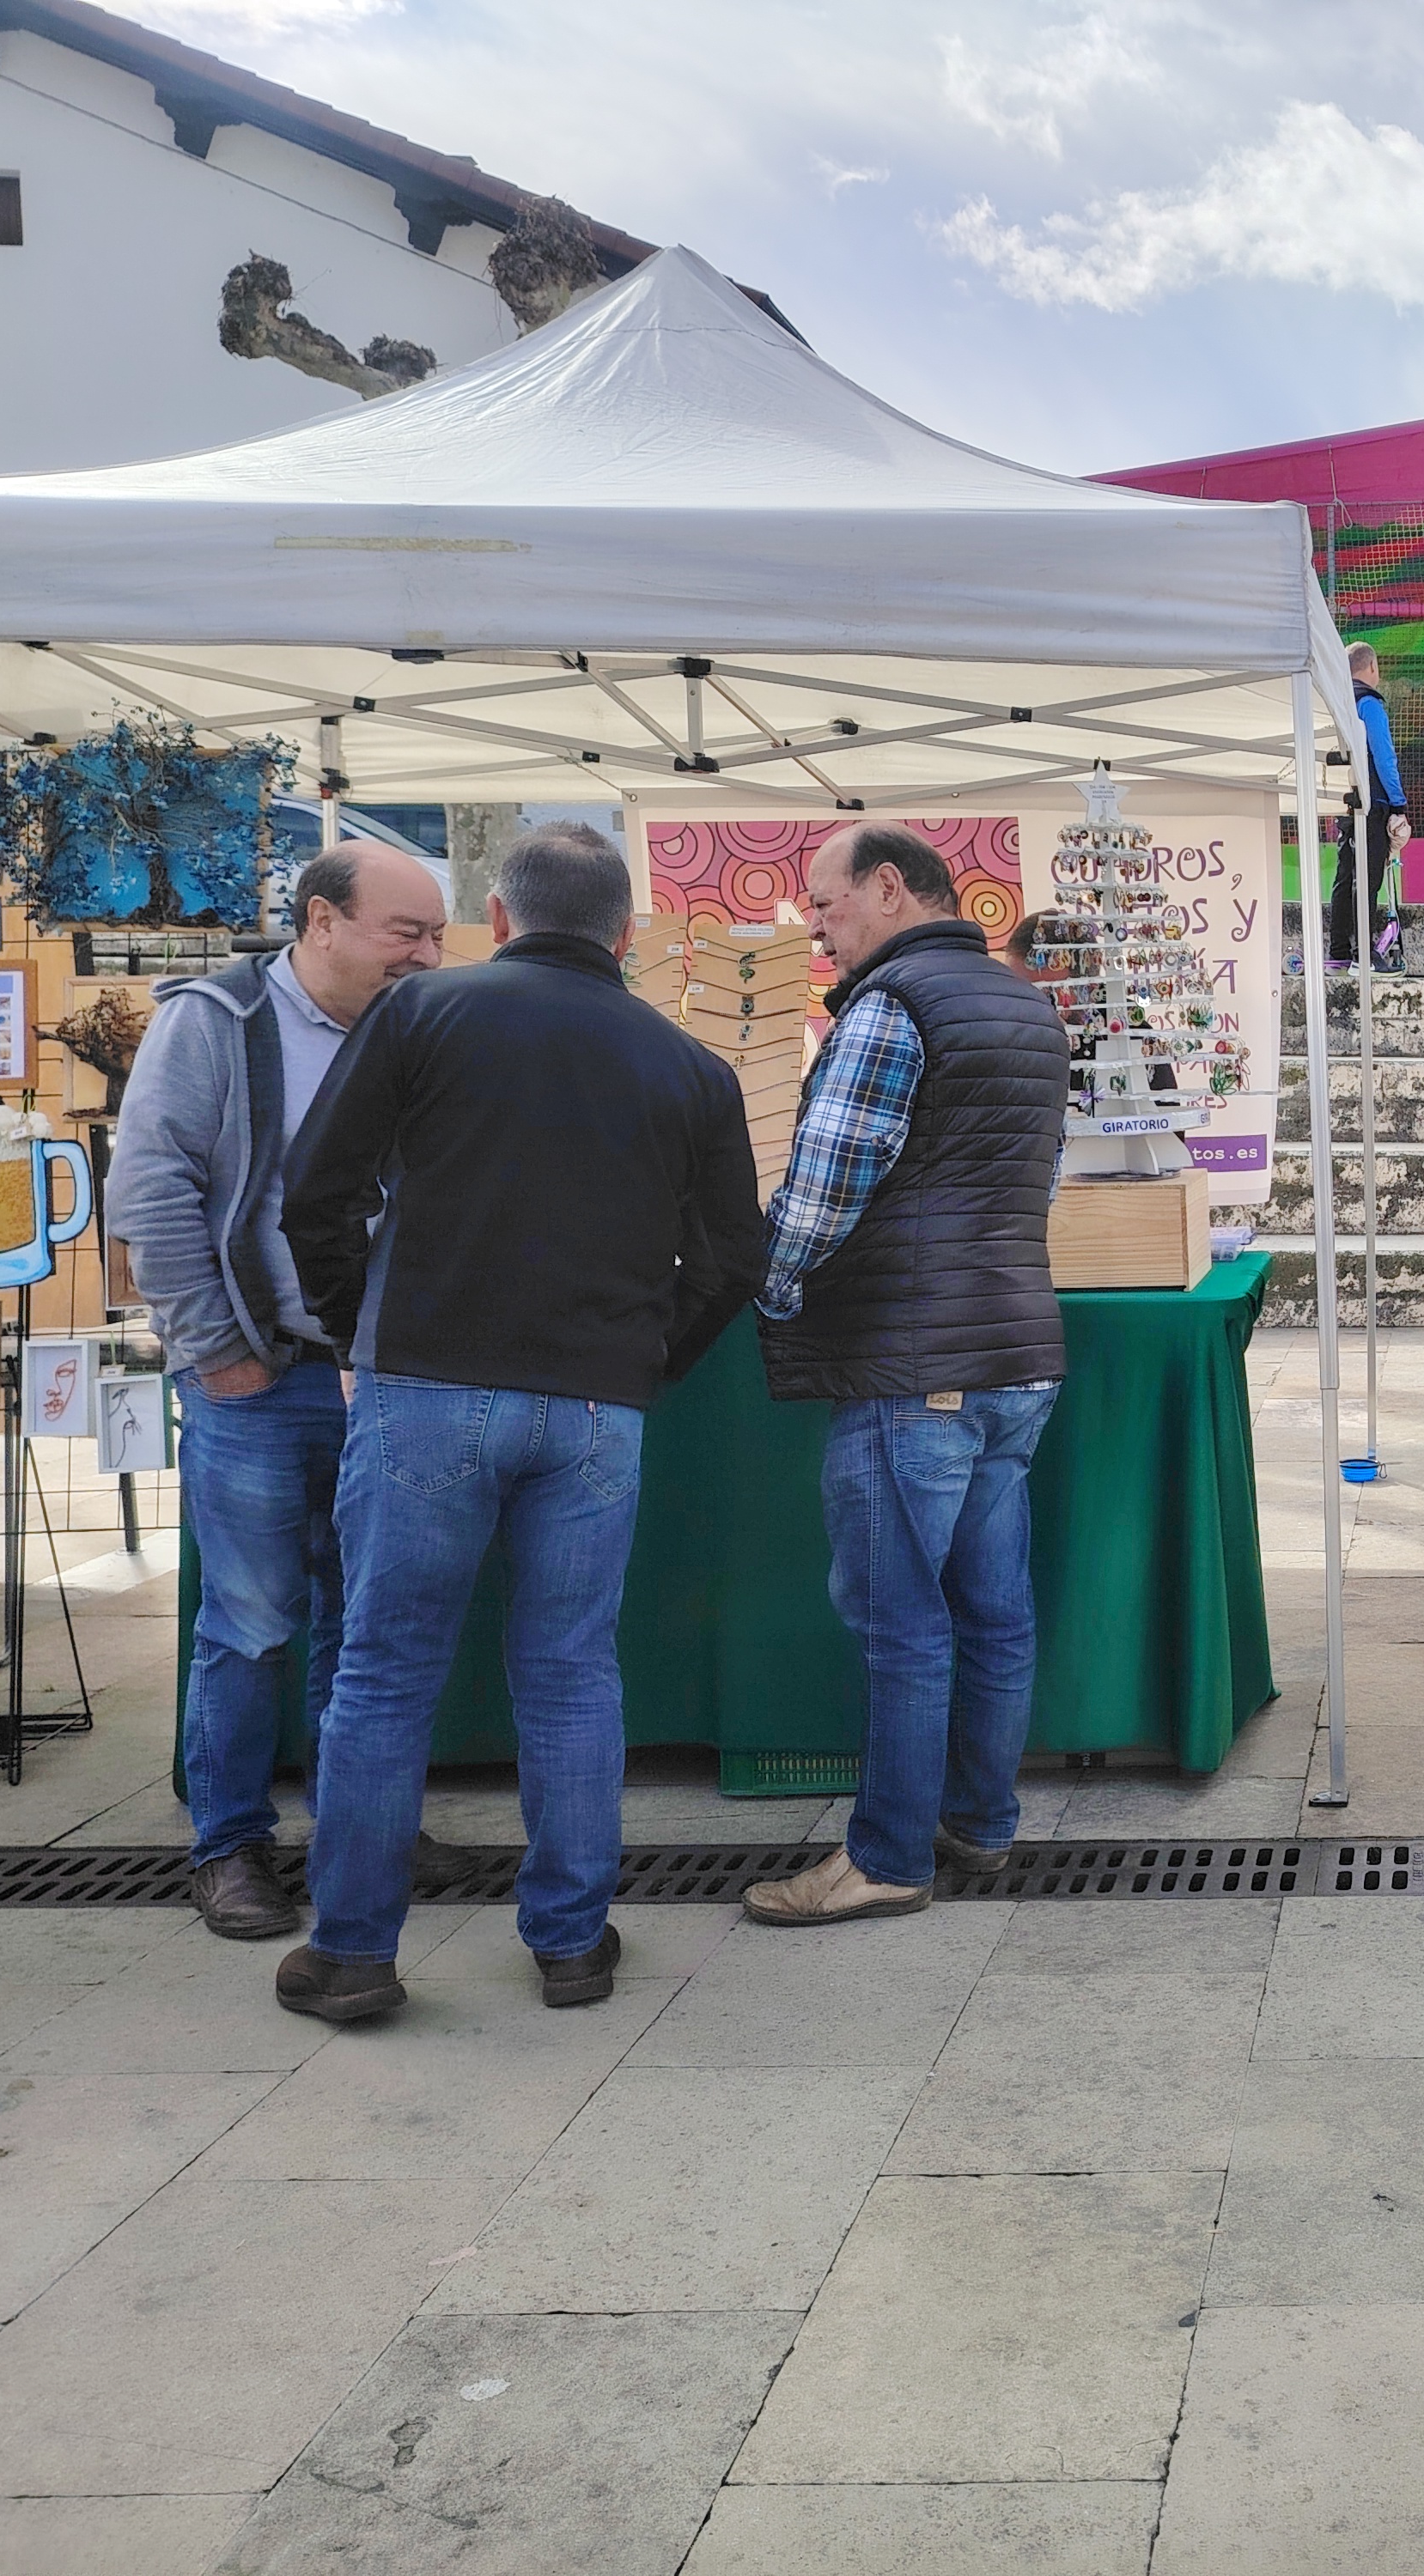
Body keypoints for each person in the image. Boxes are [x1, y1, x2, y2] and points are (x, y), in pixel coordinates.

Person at [275, 824, 764, 2023]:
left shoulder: (421, 1012)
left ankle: (353, 1952)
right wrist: (646, 1364)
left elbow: (316, 1196)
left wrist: (355, 1333)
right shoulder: (691, 1066)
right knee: (570, 1674)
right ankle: (571, 1942)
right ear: (627, 933)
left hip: (426, 1385)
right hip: (597, 1405)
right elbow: (732, 1262)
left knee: (386, 1674)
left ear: (498, 918)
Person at [108, 843, 448, 1939]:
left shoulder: (419, 1027)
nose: (427, 955)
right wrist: (219, 1353)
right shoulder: (215, 1023)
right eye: (407, 932)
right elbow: (151, 1193)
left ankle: (360, 1827)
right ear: (322, 921)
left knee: (366, 1619)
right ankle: (230, 1846)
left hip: (382, 1381)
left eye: (437, 935)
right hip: (256, 1378)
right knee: (250, 1624)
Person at [743, 825, 1072, 1925]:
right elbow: (1035, 1184)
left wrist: (767, 1286)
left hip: (913, 1361)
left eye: (824, 904)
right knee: (992, 1610)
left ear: (889, 888)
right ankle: (979, 1824)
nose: (816, 929)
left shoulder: (891, 1007)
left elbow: (824, 1188)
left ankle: (885, 1858)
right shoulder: (1028, 1007)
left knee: (902, 1622)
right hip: (1015, 1351)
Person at [1330, 642, 1406, 967]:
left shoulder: (1334, 701)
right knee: (1368, 878)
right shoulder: (1369, 704)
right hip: (1372, 802)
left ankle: (1339, 952)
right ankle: (1364, 952)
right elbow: (1384, 756)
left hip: (1342, 803)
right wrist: (1398, 803)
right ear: (1372, 667)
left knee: (1344, 877)